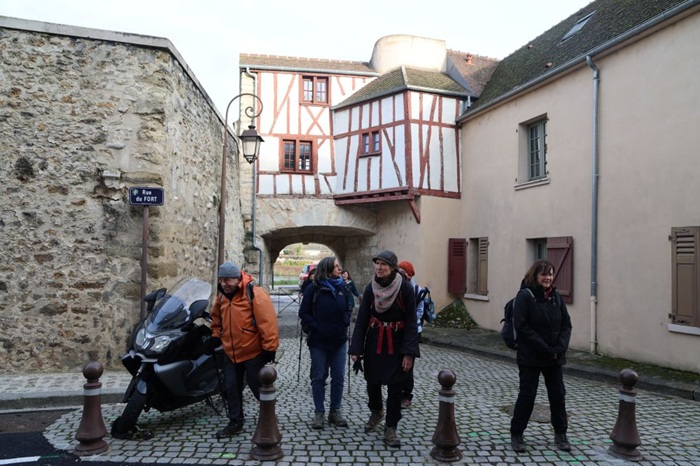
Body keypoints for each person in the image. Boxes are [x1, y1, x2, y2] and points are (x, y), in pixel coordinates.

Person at [349, 250, 419, 447]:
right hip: (374, 341)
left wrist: (409, 353)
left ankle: (391, 426)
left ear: (392, 268)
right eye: (377, 264)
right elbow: (362, 319)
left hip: (396, 343)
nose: (379, 268)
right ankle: (377, 411)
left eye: (383, 264)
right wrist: (356, 348)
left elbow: (411, 322)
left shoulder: (405, 288)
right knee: (372, 381)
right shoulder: (371, 288)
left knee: (396, 387)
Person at [210, 262, 280, 439]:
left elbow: (267, 322)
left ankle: (269, 417)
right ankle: (235, 422)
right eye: (221, 280)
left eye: (228, 280)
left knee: (257, 386)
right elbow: (216, 319)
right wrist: (216, 335)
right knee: (231, 388)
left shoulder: (254, 293)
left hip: (252, 351)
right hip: (230, 352)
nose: (224, 284)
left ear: (238, 278)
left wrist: (269, 348)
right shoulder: (222, 297)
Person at [510, 259, 572, 453]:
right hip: (531, 357)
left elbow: (566, 324)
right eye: (544, 274)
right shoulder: (525, 296)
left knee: (558, 395)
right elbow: (522, 327)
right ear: (535, 275)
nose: (548, 278)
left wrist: (560, 348)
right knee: (527, 395)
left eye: (551, 274)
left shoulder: (556, 297)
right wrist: (546, 349)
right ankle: (517, 434)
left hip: (554, 357)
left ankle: (561, 434)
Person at [298, 256, 354, 430]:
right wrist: (317, 327)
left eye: (338, 266)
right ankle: (319, 412)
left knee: (338, 377)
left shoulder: (344, 288)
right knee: (319, 377)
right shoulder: (313, 288)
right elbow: (303, 312)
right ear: (328, 269)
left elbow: (349, 307)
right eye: (336, 266)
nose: (339, 269)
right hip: (318, 341)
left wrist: (345, 321)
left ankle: (335, 411)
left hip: (339, 340)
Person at [397, 260, 424, 409]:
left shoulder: (417, 290)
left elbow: (419, 312)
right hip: (398, 330)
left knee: (408, 364)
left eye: (402, 272)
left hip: (413, 331)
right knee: (396, 362)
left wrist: (408, 319)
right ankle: (397, 392)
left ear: (409, 274)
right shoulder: (395, 287)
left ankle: (406, 395)